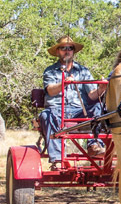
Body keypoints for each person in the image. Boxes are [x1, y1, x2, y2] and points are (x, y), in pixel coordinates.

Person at [39, 36, 107, 170]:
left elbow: (92, 95)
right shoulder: (50, 71)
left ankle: (95, 146)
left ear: (73, 52)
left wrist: (101, 89)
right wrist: (63, 84)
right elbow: (50, 91)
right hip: (56, 110)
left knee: (99, 107)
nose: (67, 51)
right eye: (63, 48)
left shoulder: (83, 71)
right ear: (58, 51)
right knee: (46, 115)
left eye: (70, 48)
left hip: (79, 111)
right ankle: (58, 159)